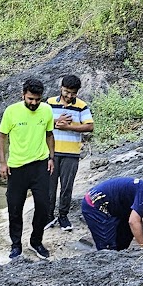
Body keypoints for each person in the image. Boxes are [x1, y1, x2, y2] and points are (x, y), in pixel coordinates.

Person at [0, 77, 56, 260]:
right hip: (17, 167)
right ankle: (16, 245)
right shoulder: (11, 111)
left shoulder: (46, 110)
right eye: (30, 99)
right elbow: (1, 136)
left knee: (44, 206)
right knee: (15, 208)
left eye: (37, 99)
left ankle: (36, 241)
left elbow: (49, 134)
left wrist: (51, 158)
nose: (34, 103)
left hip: (40, 165)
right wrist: (3, 163)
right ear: (23, 95)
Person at [50, 74, 93, 230]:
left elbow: (89, 126)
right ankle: (48, 216)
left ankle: (63, 216)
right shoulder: (49, 103)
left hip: (71, 153)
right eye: (66, 92)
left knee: (67, 187)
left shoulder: (81, 106)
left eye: (73, 93)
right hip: (51, 153)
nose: (69, 96)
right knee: (49, 186)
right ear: (61, 88)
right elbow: (40, 122)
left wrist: (69, 127)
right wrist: (56, 122)